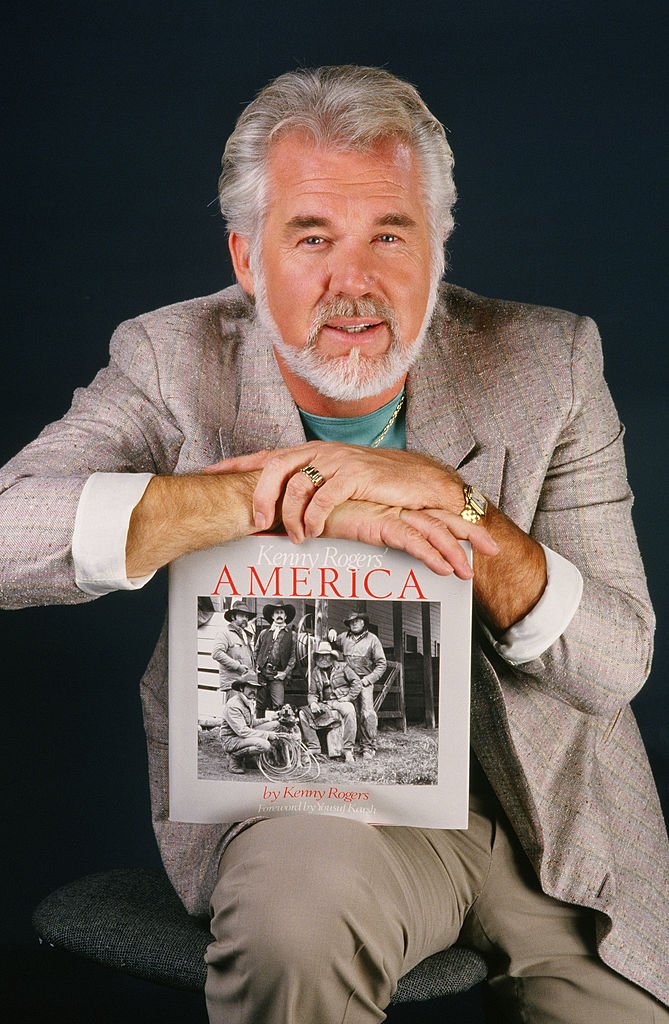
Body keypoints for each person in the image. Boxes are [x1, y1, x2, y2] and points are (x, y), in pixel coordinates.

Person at [0, 64, 667, 1023]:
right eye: (311, 237)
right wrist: (266, 501)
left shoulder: (547, 360)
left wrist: (456, 504)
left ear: (438, 247)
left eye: (389, 235)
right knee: (297, 922)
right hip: (311, 803)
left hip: (543, 822)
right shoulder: (170, 357)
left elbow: (614, 666)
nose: (351, 282)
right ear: (245, 256)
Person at [336, 612, 387, 759]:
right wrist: (330, 633)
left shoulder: (373, 640)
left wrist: (368, 679)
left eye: (357, 621)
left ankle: (368, 747)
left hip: (364, 681)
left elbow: (381, 664)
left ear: (363, 623)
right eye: (351, 622)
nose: (354, 624)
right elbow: (330, 643)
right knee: (350, 712)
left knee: (366, 713)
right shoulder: (343, 637)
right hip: (347, 682)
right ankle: (347, 747)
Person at [299, 639, 359, 761]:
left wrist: (348, 697)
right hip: (324, 703)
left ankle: (347, 750)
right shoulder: (315, 672)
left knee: (350, 710)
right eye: (320, 656)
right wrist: (314, 703)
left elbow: (357, 682)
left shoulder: (343, 667)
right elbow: (312, 693)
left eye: (326, 655)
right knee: (302, 713)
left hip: (340, 701)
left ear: (332, 656)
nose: (323, 658)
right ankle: (314, 746)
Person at [218, 670, 280, 774]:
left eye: (255, 687)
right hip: (231, 740)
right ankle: (235, 757)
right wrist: (267, 734)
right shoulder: (234, 705)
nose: (254, 690)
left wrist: (269, 719)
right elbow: (242, 731)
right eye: (250, 687)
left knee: (276, 724)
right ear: (242, 688)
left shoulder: (249, 701)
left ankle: (249, 759)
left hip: (243, 736)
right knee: (265, 745)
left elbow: (251, 723)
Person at [254, 601, 296, 714]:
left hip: (277, 675)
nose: (279, 615)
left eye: (282, 613)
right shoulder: (264, 633)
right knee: (259, 704)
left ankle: (278, 729)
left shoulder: (291, 634)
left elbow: (293, 657)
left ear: (285, 616)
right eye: (277, 613)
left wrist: (285, 673)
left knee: (278, 705)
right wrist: (256, 666)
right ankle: (259, 728)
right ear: (272, 616)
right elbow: (256, 650)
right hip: (262, 673)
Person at [211, 601, 256, 707]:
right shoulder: (225, 633)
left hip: (245, 684)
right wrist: (238, 666)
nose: (245, 618)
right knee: (233, 715)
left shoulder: (246, 635)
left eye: (246, 616)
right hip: (233, 684)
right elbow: (217, 653)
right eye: (241, 615)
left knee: (243, 716)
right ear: (232, 616)